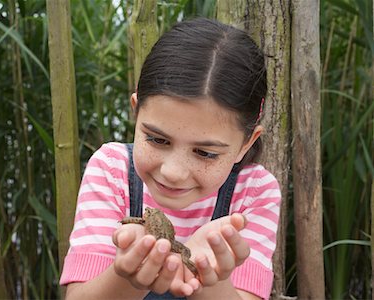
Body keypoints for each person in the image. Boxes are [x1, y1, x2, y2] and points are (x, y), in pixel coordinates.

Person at [60, 17, 281, 300]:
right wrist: (129, 273)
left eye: (205, 153)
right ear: (136, 112)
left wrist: (208, 277)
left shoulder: (254, 192)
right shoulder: (112, 169)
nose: (173, 172)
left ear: (246, 144)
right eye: (157, 139)